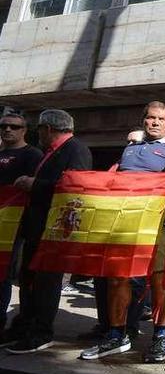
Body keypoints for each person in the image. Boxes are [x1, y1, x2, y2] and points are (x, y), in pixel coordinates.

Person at [80, 102, 165, 362]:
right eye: (150, 118)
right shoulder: (131, 148)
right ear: (143, 121)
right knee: (117, 279)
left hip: (157, 226)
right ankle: (116, 335)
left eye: (160, 119)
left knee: (159, 281)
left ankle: (160, 336)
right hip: (125, 225)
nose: (155, 122)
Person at [4, 109, 92, 354]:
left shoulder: (76, 150)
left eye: (39, 130)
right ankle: (25, 326)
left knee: (46, 283)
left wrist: (36, 185)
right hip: (37, 228)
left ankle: (41, 332)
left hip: (54, 231)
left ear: (48, 129)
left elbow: (77, 190)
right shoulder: (51, 152)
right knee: (29, 280)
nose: (38, 134)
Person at [0, 111, 42, 341]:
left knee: (4, 274)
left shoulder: (33, 155)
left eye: (14, 127)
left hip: (17, 225)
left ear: (24, 131)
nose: (8, 130)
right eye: (4, 126)